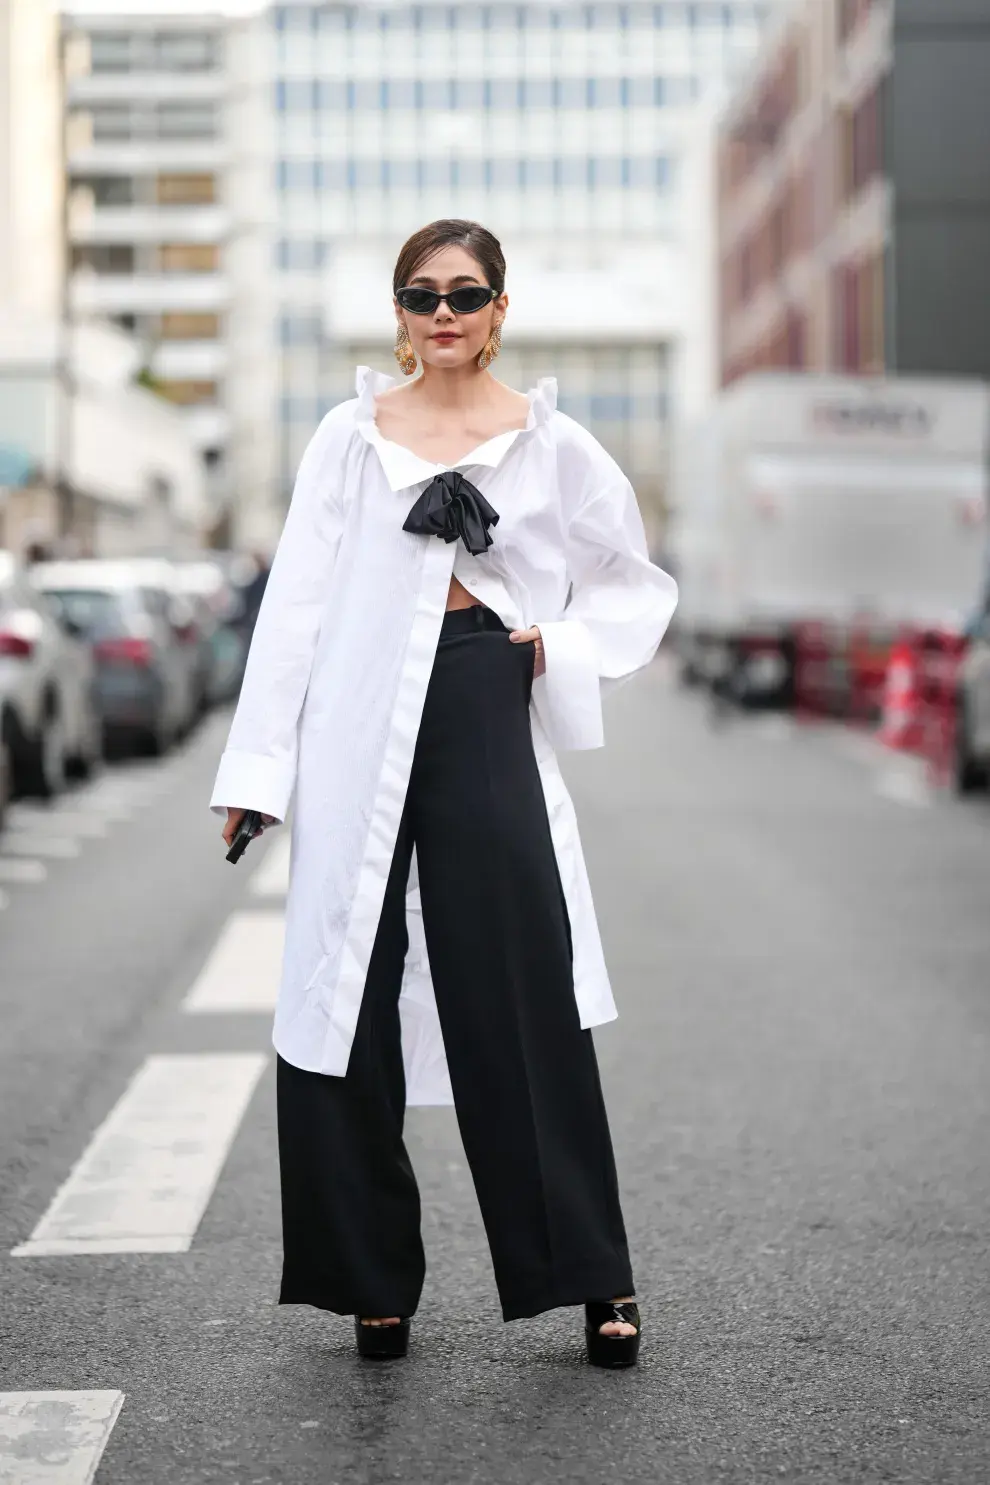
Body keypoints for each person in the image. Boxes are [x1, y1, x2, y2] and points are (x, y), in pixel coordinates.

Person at [211, 219, 677, 1368]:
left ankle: (594, 1276)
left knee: (521, 980)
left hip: (479, 699)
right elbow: (299, 607)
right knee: (342, 990)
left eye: (466, 294)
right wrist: (259, 772)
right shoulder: (347, 438)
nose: (444, 313)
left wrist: (550, 643)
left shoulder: (553, 443)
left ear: (502, 306)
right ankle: (372, 1278)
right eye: (421, 296)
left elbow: (632, 583)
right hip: (355, 717)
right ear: (400, 315)